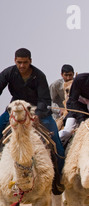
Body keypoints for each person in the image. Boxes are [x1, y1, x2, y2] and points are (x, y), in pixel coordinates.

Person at [0, 48, 65, 194]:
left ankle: (60, 180)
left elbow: (44, 99)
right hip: (16, 109)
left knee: (56, 144)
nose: (22, 66)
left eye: (25, 62)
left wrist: (38, 115)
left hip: (37, 110)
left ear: (30, 61)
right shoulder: (8, 73)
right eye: (19, 62)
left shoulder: (39, 75)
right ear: (14, 61)